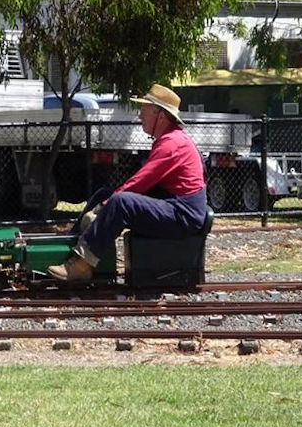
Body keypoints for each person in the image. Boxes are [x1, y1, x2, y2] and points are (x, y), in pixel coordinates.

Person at [47, 83, 208, 282]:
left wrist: (102, 208)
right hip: (175, 205)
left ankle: (82, 266)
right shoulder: (171, 140)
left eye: (144, 111)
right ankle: (72, 248)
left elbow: (140, 182)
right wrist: (103, 202)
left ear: (160, 115)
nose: (140, 116)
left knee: (120, 202)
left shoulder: (172, 144)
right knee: (104, 193)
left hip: (183, 214)